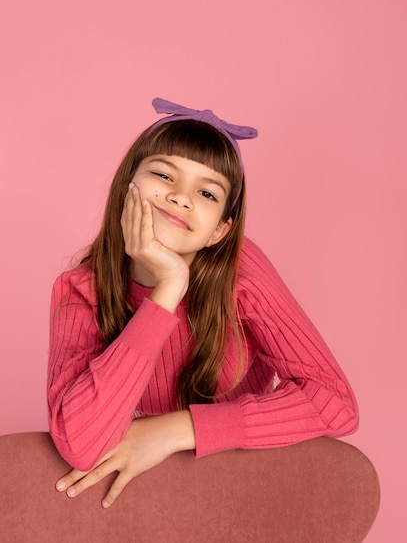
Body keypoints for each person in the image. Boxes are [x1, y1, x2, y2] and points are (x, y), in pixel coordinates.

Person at [48, 98, 359, 508]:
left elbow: (335, 402)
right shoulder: (80, 289)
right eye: (163, 174)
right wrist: (169, 287)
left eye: (207, 193)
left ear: (218, 232)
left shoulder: (241, 270)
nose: (180, 197)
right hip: (137, 502)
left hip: (236, 490)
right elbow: (81, 443)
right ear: (127, 184)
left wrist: (173, 430)